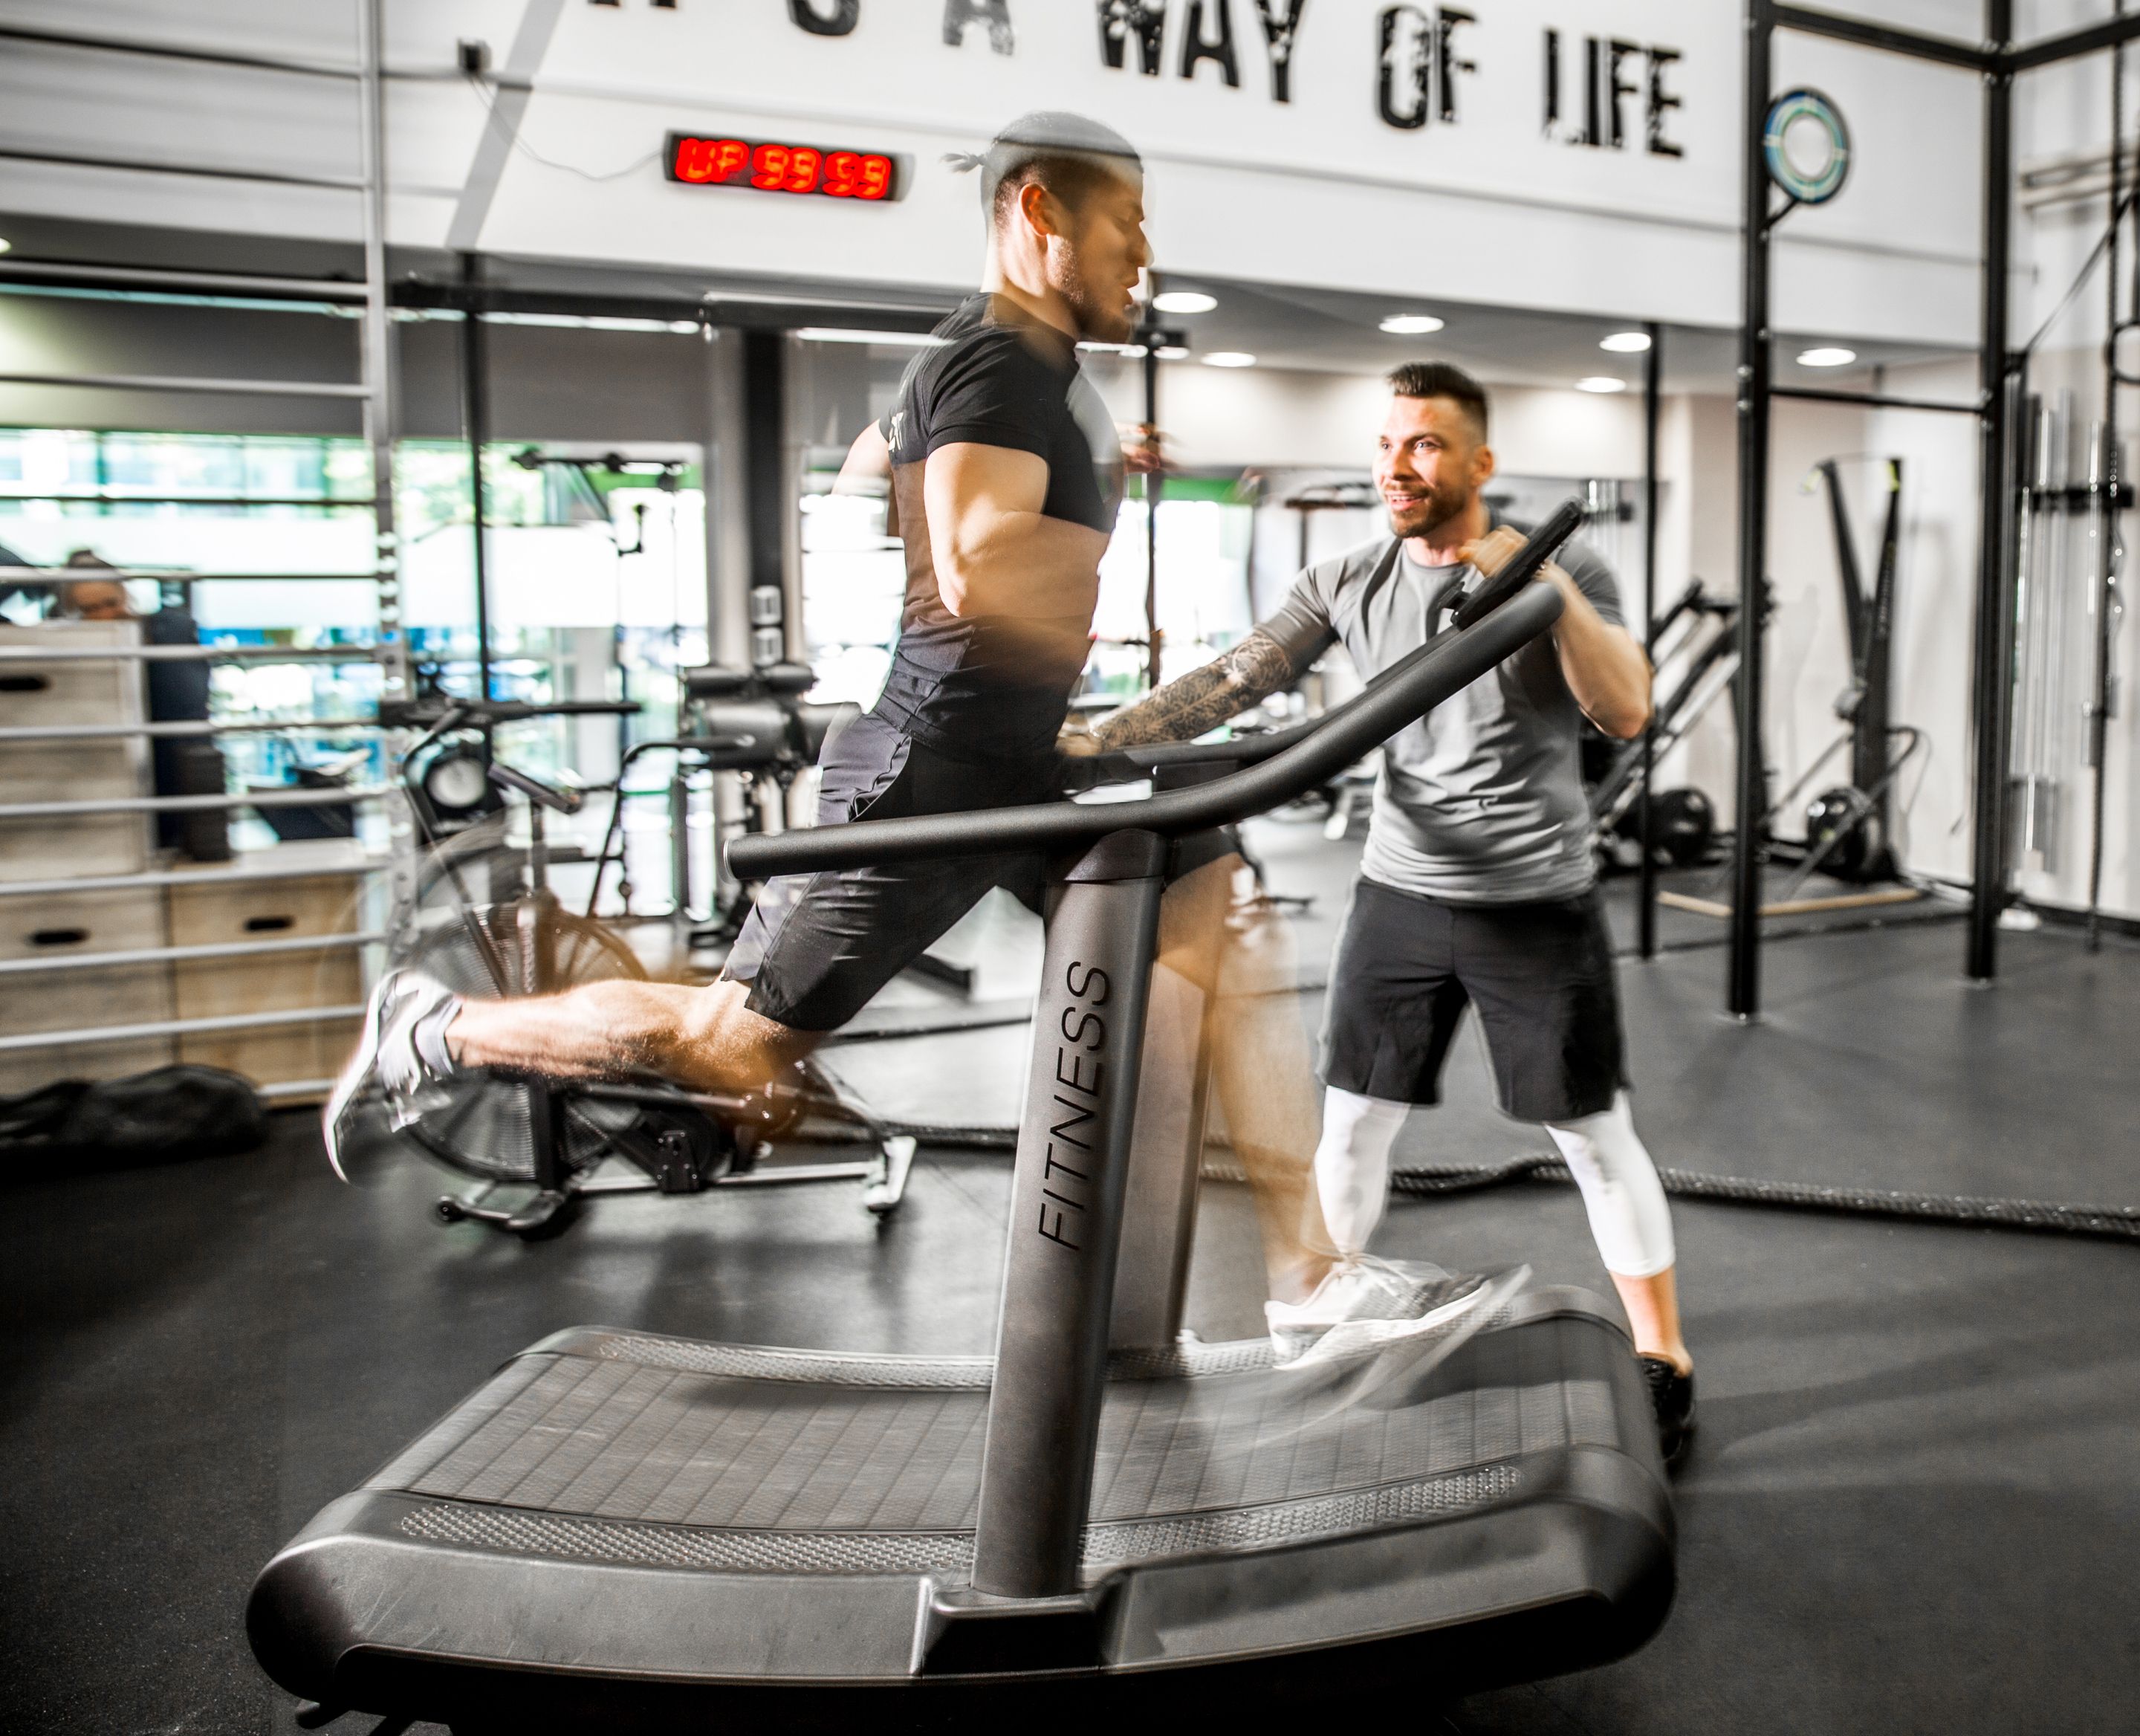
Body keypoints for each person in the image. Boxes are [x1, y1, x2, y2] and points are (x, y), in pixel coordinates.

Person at [332, 111, 1467, 1343]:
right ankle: (442, 1025)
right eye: (1127, 223)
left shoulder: (1000, 372)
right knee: (731, 1044)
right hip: (928, 774)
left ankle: (1306, 1280)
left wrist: (1063, 497)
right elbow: (981, 570)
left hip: (1012, 758)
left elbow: (877, 467)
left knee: (1212, 916)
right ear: (1040, 212)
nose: (1142, 255)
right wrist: (1079, 580)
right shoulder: (997, 364)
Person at [1075, 360, 1699, 1465]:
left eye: (1422, 445)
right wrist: (1088, 743)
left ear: (1479, 464)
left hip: (1533, 903)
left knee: (1593, 1138)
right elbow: (1235, 682)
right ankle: (1322, 1325)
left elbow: (1627, 707)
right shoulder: (1347, 578)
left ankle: (1663, 1355)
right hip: (1401, 891)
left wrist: (1539, 587)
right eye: (1385, 443)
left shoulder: (1564, 567)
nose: (1396, 465)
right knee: (1356, 1122)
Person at [57, 551, 224, 855]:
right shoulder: (73, 658)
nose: (106, 615)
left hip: (177, 787)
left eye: (111, 603)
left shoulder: (168, 633)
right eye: (91, 609)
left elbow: (187, 713)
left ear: (125, 593)